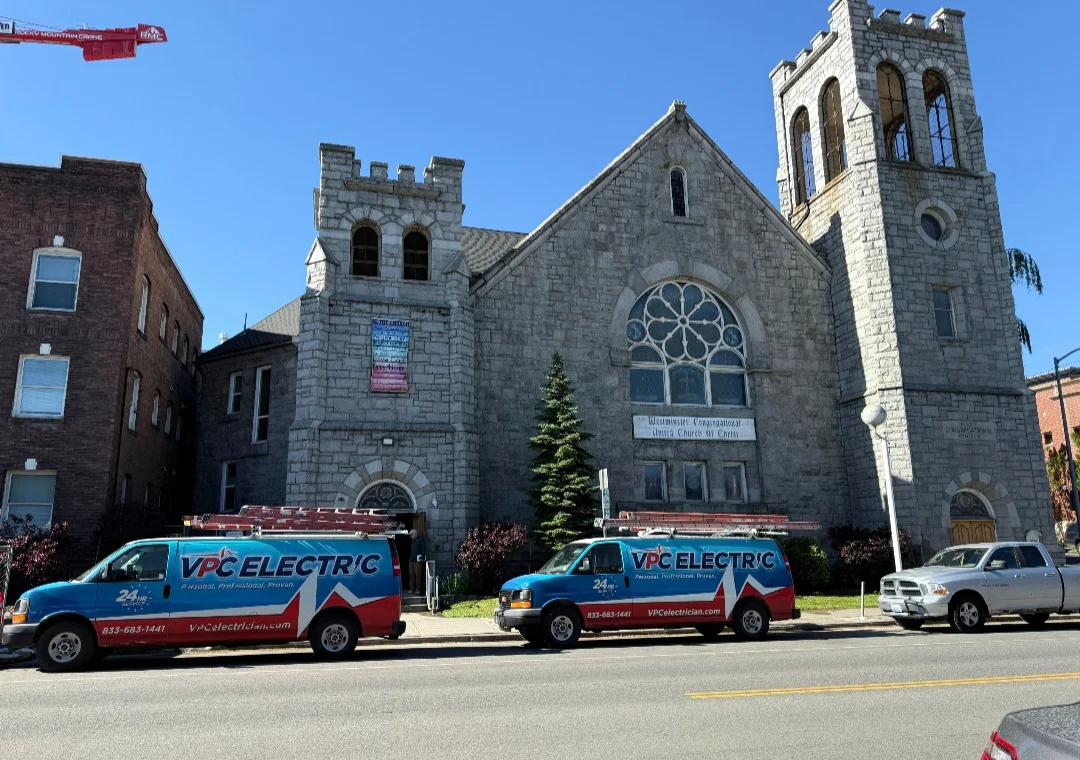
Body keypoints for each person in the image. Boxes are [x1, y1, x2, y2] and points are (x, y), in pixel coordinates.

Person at [408, 529, 426, 595]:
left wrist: (422, 557)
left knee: (418, 575)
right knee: (411, 574)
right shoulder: (413, 541)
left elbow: (423, 549)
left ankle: (418, 589)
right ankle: (412, 588)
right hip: (411, 560)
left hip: (418, 561)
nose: (410, 536)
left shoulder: (420, 540)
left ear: (415, 534)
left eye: (411, 535)